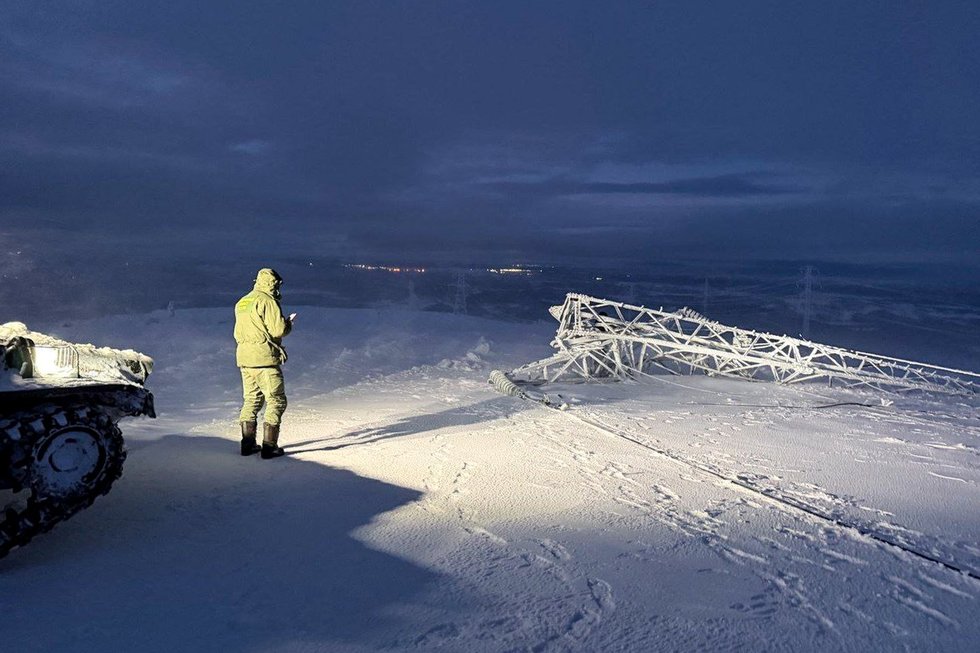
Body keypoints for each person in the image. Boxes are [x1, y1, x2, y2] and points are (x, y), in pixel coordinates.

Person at [233, 268, 294, 459]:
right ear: (273, 283)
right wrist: (288, 324)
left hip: (245, 359)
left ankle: (247, 445)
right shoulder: (268, 301)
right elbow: (278, 330)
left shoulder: (243, 301)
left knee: (251, 399)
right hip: (264, 359)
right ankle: (269, 447)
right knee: (276, 400)